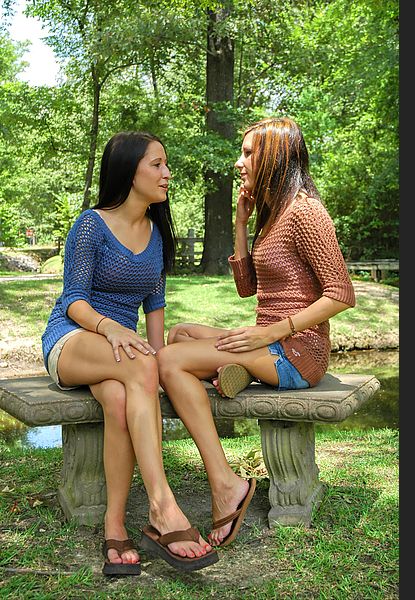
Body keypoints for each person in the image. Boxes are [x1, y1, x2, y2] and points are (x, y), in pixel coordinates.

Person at [156, 116, 356, 547]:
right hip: (269, 339)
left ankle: (226, 485)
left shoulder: (305, 212)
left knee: (170, 360)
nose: (239, 162)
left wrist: (271, 334)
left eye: (249, 153)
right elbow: (248, 289)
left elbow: (340, 293)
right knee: (180, 335)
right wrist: (243, 223)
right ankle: (239, 368)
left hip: (298, 352)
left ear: (276, 156)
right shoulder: (276, 211)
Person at [41, 131, 218, 575]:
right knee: (139, 363)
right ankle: (162, 506)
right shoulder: (91, 224)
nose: (167, 174)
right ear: (129, 169)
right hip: (75, 337)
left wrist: (171, 367)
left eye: (166, 164)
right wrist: (112, 327)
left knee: (124, 396)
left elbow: (154, 319)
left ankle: (115, 527)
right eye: (157, 164)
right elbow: (74, 299)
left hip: (123, 355)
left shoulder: (157, 235)